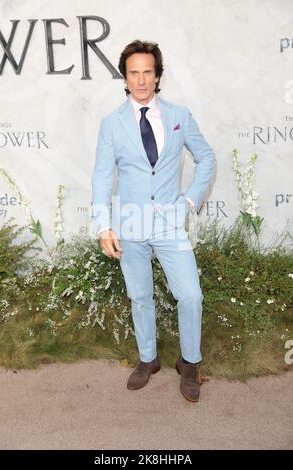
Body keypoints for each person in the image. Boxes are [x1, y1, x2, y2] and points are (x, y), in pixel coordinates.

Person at [92, 40, 216, 403]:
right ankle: (148, 359)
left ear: (158, 75)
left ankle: (189, 363)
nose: (141, 80)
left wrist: (189, 201)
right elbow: (101, 176)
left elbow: (206, 158)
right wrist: (103, 225)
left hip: (168, 221)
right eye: (134, 72)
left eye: (148, 72)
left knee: (190, 295)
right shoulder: (111, 124)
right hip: (129, 223)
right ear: (125, 77)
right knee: (140, 296)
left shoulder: (179, 115)